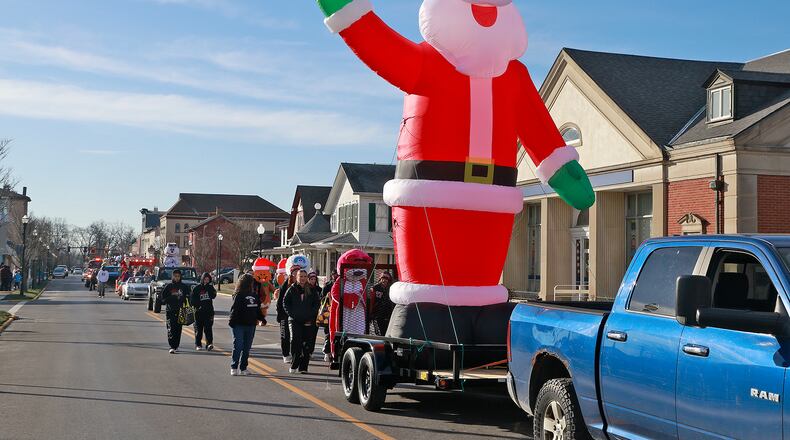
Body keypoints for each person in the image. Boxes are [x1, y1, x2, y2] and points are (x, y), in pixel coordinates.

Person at [283, 270, 320, 374]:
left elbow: (317, 304)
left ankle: (303, 367)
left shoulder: (312, 290)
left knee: (306, 344)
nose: (303, 278)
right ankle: (294, 364)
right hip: (294, 320)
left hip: (308, 320)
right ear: (297, 277)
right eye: (301, 276)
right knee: (295, 341)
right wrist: (292, 314)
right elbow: (285, 303)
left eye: (304, 276)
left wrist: (311, 314)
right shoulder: (292, 289)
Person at [228, 273, 265, 376]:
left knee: (247, 348)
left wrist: (262, 319)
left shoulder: (254, 295)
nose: (252, 285)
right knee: (238, 346)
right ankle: (234, 366)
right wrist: (232, 322)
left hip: (251, 324)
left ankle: (243, 367)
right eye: (251, 283)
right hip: (239, 325)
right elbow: (234, 310)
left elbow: (257, 309)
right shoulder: (238, 295)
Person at [161, 269, 191, 353]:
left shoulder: (184, 287)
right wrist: (172, 297)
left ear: (180, 277)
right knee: (171, 329)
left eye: (178, 276)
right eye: (175, 276)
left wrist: (187, 301)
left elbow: (188, 297)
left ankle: (176, 346)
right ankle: (172, 346)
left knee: (178, 329)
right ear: (172, 277)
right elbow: (162, 299)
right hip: (170, 311)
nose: (177, 278)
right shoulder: (169, 286)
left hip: (180, 311)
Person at [275, 268, 297, 364]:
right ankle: (285, 354)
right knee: (285, 335)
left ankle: (295, 353)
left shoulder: (302, 285)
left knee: (295, 336)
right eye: (295, 273)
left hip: (295, 315)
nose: (296, 274)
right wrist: (279, 314)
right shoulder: (285, 284)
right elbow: (280, 301)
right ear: (291, 274)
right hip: (284, 315)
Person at [191, 272, 217, 351]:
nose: (206, 281)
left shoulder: (210, 287)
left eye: (208, 279)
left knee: (208, 328)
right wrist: (197, 306)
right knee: (199, 329)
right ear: (202, 279)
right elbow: (192, 300)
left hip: (208, 312)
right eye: (205, 279)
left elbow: (213, 296)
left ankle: (209, 344)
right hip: (199, 312)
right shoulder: (197, 288)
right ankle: (198, 344)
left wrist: (210, 289)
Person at [320, 270, 339, 360]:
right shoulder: (327, 285)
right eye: (333, 275)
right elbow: (321, 299)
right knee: (328, 333)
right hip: (328, 312)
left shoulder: (342, 284)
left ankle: (334, 352)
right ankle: (327, 352)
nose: (335, 276)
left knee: (337, 333)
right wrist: (327, 297)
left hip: (338, 312)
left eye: (337, 275)